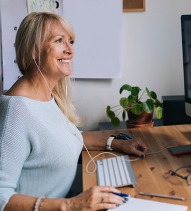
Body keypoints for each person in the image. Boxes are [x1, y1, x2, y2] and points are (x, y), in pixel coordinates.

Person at [0, 12, 148, 211]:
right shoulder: (16, 111)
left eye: (70, 41)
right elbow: (1, 198)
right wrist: (70, 205)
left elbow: (62, 138)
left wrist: (117, 143)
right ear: (34, 50)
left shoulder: (46, 96)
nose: (70, 50)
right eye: (59, 40)